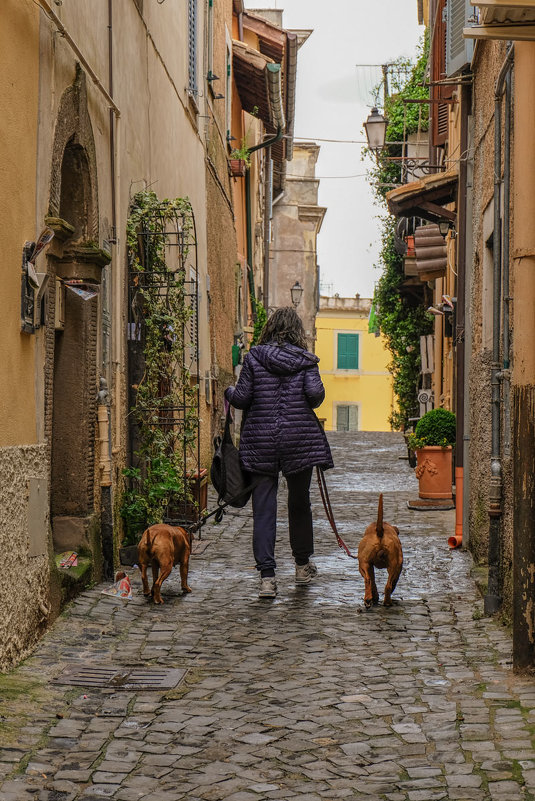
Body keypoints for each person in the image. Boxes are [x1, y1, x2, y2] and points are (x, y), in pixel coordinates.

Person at [225, 307, 333, 598]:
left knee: (263, 508)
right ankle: (301, 567)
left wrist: (227, 392)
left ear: (270, 328)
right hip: (299, 440)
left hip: (261, 441)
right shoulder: (306, 360)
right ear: (297, 331)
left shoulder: (254, 358)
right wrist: (310, 371)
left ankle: (267, 579)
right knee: (299, 503)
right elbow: (315, 396)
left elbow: (242, 398)